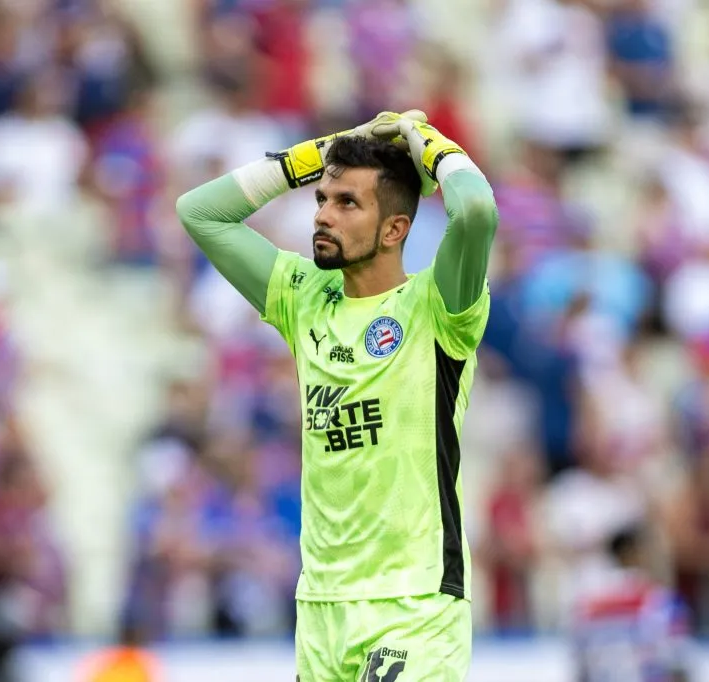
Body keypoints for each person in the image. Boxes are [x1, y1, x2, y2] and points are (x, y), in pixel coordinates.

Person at [175, 110, 498, 681]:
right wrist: (317, 154)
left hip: (414, 603)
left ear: (395, 229)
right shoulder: (304, 297)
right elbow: (199, 212)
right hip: (321, 606)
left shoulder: (437, 307)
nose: (322, 215)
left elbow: (474, 210)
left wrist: (429, 145)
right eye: (321, 199)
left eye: (347, 203)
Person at [570, 525, 692, 682]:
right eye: (652, 550)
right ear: (633, 553)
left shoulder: (586, 605)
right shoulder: (662, 602)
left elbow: (581, 670)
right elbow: (677, 665)